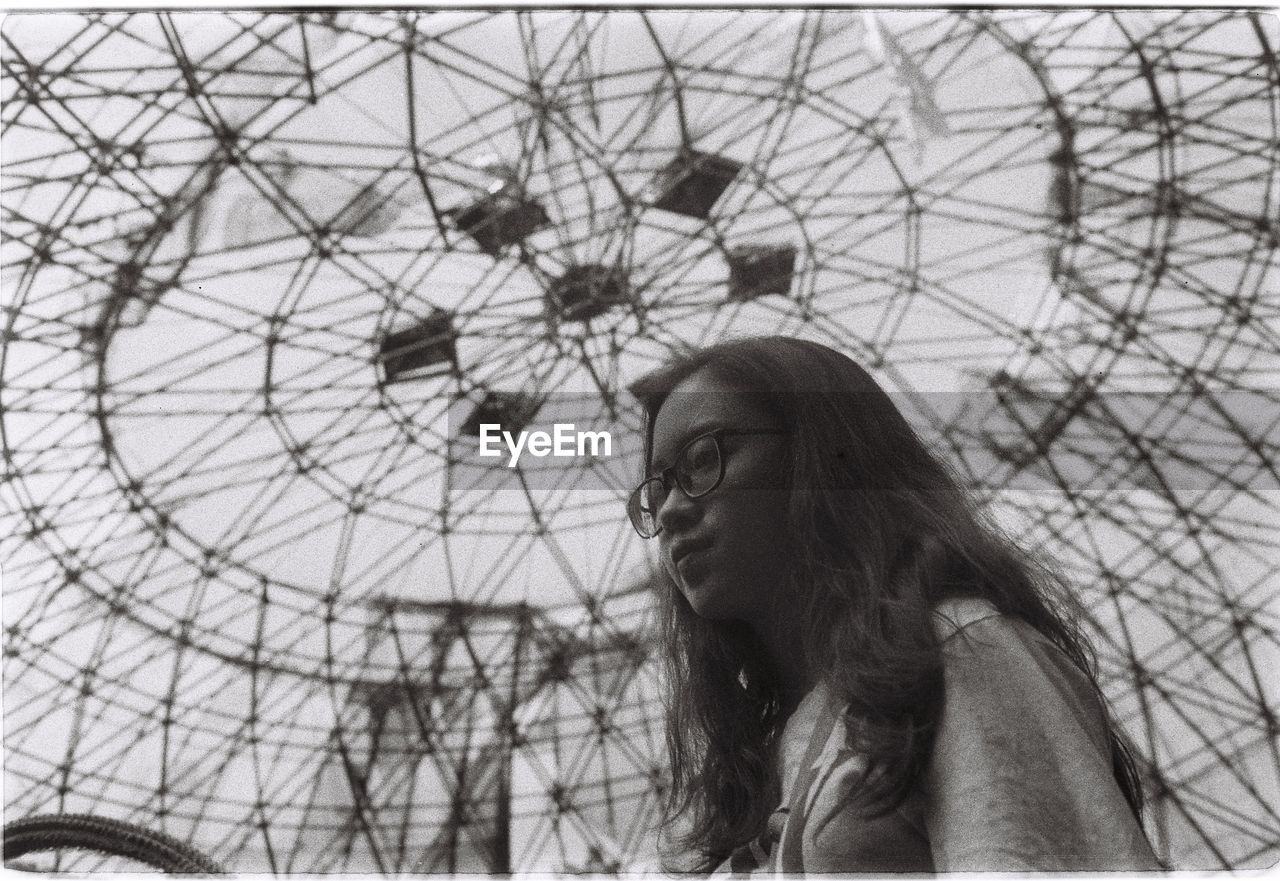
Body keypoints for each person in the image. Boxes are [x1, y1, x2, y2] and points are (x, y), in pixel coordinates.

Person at [625, 336, 1160, 874]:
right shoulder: (760, 764)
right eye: (655, 493)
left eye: (702, 460)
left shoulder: (957, 651)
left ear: (820, 452)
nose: (670, 510)